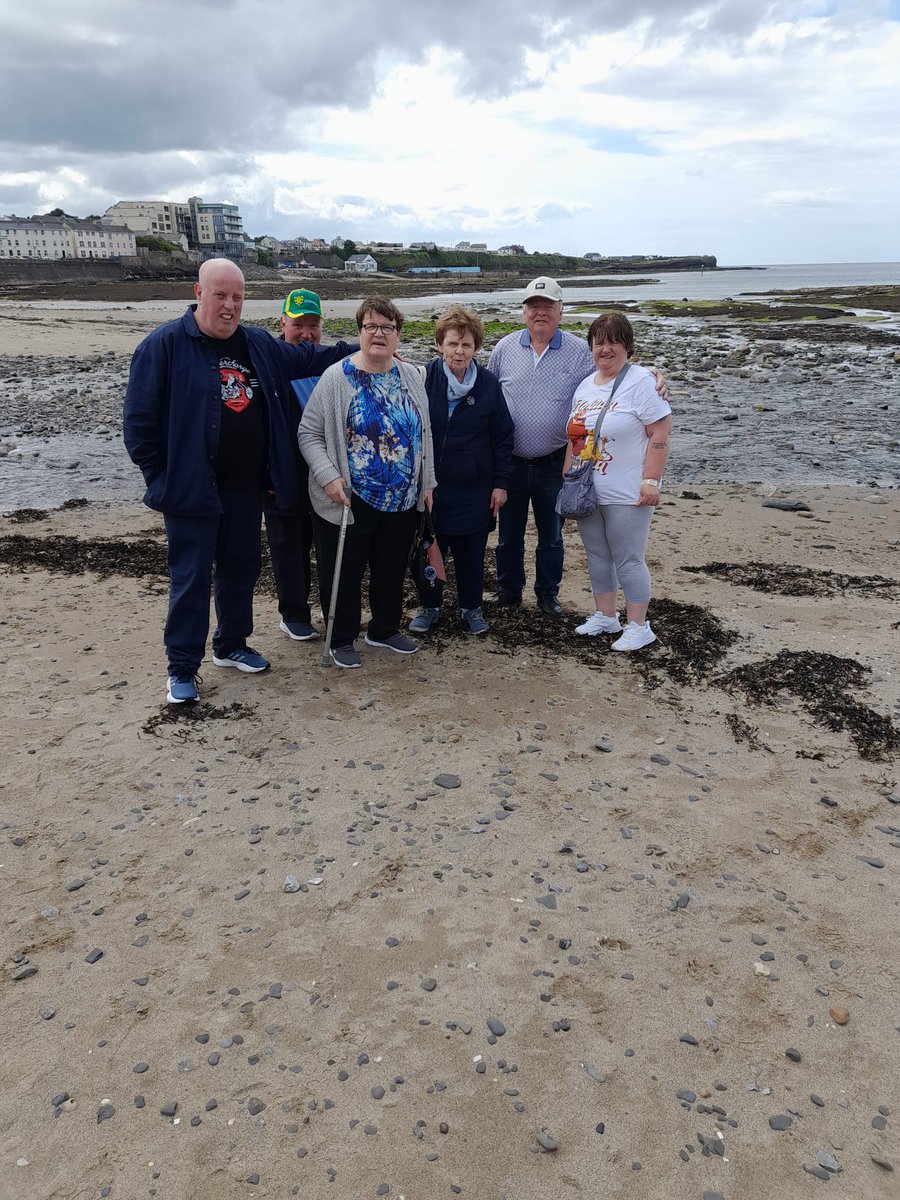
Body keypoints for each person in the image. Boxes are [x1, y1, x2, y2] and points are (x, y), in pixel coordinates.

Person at [123, 258, 354, 703]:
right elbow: (138, 425)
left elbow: (309, 355)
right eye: (220, 295)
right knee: (191, 578)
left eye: (237, 297)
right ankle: (182, 668)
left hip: (246, 488)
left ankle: (231, 644)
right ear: (198, 293)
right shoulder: (163, 346)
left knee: (241, 569)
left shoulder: (256, 344)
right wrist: (162, 480)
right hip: (190, 489)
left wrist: (365, 346)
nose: (229, 305)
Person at [487, 277, 667, 616]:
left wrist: (652, 375)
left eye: (548, 306)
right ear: (524, 311)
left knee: (551, 535)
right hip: (510, 461)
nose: (540, 312)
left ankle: (547, 595)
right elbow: (486, 390)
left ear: (561, 311)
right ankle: (508, 591)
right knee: (509, 536)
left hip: (556, 460)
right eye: (533, 306)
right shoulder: (504, 348)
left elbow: (613, 370)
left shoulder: (578, 351)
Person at [298, 296, 437, 669]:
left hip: (402, 498)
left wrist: (427, 482)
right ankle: (342, 637)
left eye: (387, 327)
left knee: (391, 567)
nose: (379, 333)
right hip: (348, 497)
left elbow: (423, 431)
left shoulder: (411, 375)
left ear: (397, 333)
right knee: (343, 572)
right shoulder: (336, 378)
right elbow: (308, 433)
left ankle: (384, 629)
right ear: (359, 331)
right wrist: (328, 477)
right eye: (371, 326)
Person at [564, 312, 671, 651]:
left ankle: (639, 625)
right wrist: (567, 478)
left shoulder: (642, 382)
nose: (606, 349)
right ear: (591, 347)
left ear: (627, 346)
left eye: (614, 341)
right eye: (599, 342)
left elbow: (660, 433)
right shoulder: (585, 386)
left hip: (627, 492)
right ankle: (606, 615)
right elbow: (575, 438)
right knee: (597, 556)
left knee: (628, 559)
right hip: (588, 490)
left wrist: (651, 481)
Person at [408, 305, 513, 635]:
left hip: (475, 488)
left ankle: (471, 607)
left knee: (471, 554)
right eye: (452, 343)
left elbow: (503, 437)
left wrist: (501, 483)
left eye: (466, 344)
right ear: (440, 344)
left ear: (475, 348)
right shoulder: (423, 378)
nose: (459, 351)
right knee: (429, 550)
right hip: (432, 488)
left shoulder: (488, 385)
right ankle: (429, 607)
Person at [264, 288, 334, 642]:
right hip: (282, 473)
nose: (306, 333)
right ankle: (293, 614)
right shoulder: (268, 361)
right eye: (298, 325)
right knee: (288, 546)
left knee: (328, 544)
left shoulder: (332, 364)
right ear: (282, 324)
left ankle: (333, 610)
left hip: (325, 474)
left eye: (313, 325)